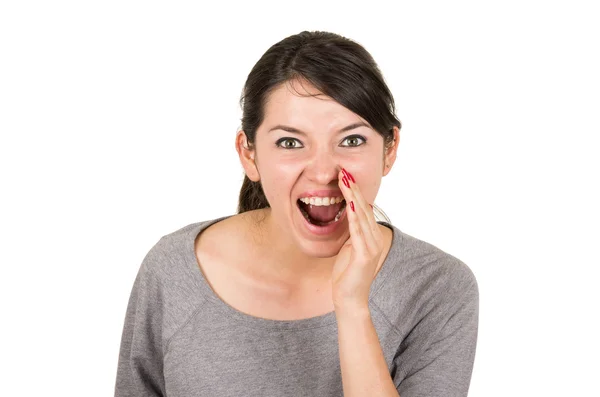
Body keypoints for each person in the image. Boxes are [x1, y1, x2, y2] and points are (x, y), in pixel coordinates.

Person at [114, 31, 478, 397]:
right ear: (249, 153)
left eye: (351, 140)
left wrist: (352, 307)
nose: (323, 172)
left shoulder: (438, 287)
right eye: (290, 142)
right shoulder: (174, 268)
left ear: (389, 149)